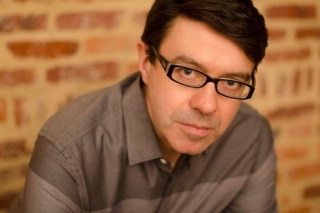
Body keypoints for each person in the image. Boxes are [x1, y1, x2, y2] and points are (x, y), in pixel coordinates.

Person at [9, 0, 277, 212]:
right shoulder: (69, 152)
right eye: (187, 72)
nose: (207, 105)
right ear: (145, 62)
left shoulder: (250, 138)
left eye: (231, 82)